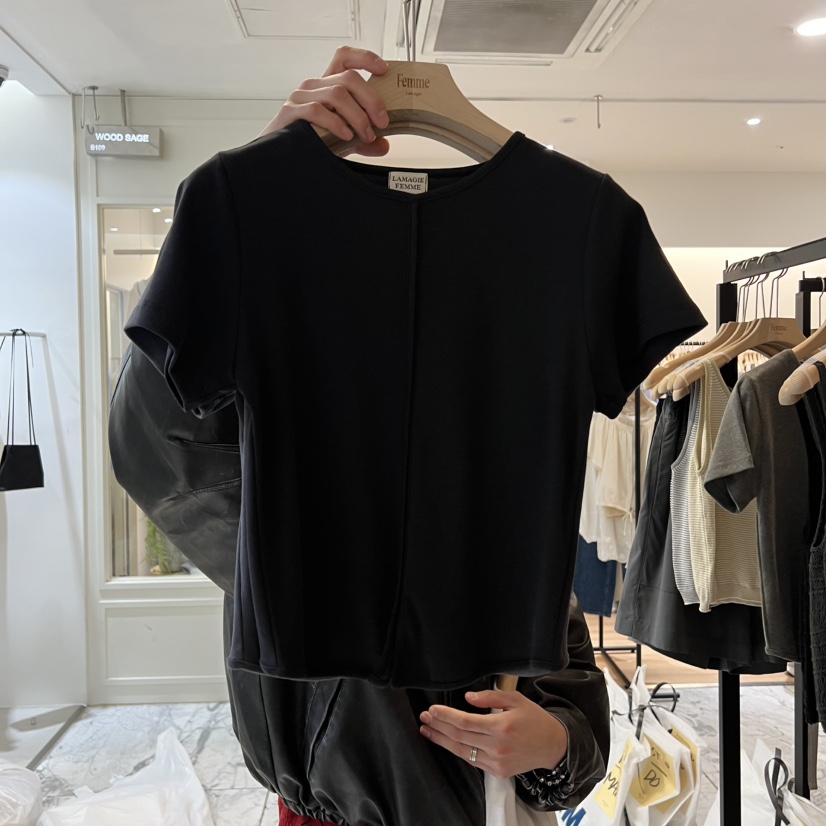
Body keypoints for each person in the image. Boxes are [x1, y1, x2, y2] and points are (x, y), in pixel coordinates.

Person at [109, 46, 611, 826]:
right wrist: (231, 227)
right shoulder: (283, 487)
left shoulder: (498, 503)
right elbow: (157, 452)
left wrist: (554, 742)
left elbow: (573, 716)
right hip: (320, 807)